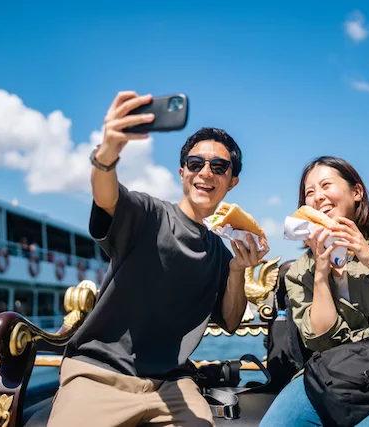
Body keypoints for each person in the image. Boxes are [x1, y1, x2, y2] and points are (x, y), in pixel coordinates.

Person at [47, 91, 269, 427]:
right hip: (99, 373)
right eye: (196, 164)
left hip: (172, 382)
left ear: (231, 182)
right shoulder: (149, 214)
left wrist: (238, 270)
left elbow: (232, 320)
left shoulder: (222, 252)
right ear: (182, 173)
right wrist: (107, 153)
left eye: (219, 167)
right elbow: (107, 197)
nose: (205, 172)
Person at [259, 156, 369, 427]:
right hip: (330, 378)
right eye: (309, 193)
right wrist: (320, 273)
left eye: (326, 185)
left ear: (356, 192)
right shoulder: (300, 271)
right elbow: (320, 342)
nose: (318, 197)